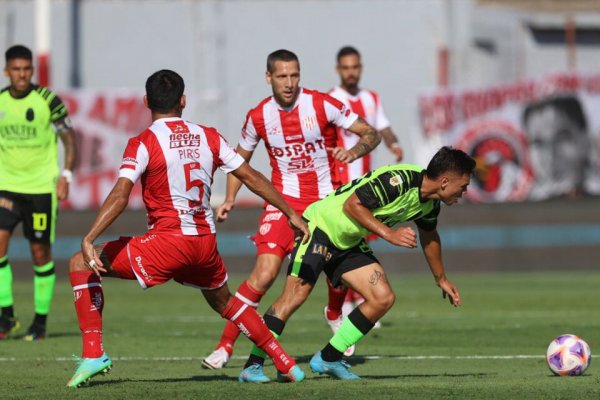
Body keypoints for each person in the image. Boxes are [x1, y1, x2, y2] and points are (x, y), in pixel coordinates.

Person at [65, 69, 310, 388]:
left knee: (80, 262)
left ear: (146, 102)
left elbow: (121, 193)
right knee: (226, 302)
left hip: (167, 244)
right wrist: (289, 211)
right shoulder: (209, 135)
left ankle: (94, 354)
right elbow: (250, 176)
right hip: (205, 245)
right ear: (183, 100)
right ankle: (285, 362)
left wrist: (90, 236)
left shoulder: (143, 142)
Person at [202, 49, 381, 376]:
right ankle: (225, 345)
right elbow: (237, 162)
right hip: (282, 203)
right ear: (268, 77)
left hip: (326, 204)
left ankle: (334, 310)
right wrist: (228, 197)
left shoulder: (321, 104)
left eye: (294, 75)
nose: (289, 83)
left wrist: (353, 150)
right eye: (282, 76)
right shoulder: (258, 116)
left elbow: (371, 132)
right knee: (265, 275)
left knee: (334, 271)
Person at [239, 146, 475, 381]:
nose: (464, 192)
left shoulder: (430, 204)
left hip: (348, 240)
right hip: (319, 228)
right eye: (463, 186)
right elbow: (352, 205)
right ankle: (253, 365)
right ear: (444, 182)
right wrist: (389, 234)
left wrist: (441, 278)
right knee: (295, 296)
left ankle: (329, 358)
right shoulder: (399, 181)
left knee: (382, 297)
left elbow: (430, 235)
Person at [325, 45, 406, 352]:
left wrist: (394, 144)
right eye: (346, 67)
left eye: (355, 67)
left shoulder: (371, 98)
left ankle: (355, 300)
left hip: (366, 187)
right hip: (339, 186)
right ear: (338, 69)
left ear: (361, 67)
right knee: (344, 245)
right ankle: (347, 305)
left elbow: (381, 127)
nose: (351, 72)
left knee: (360, 245)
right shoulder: (331, 99)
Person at [0, 45, 77, 340]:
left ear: (32, 70)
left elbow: (69, 139)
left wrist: (65, 175)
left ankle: (40, 323)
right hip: (6, 185)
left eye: (27, 69)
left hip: (40, 189)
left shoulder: (47, 100)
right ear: (7, 71)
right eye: (16, 69)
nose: (22, 74)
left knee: (39, 252)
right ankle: (6, 317)